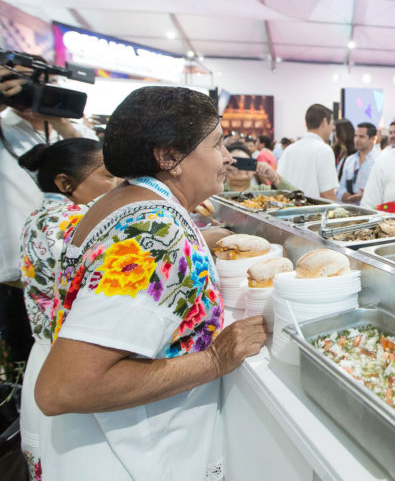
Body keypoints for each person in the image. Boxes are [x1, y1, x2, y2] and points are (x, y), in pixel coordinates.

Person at [34, 86, 268, 479]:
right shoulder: (155, 234)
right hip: (128, 458)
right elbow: (63, 387)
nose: (228, 157)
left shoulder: (122, 200)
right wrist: (215, 359)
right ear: (169, 156)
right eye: (216, 144)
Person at [17, 138, 121, 478]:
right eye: (108, 175)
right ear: (66, 184)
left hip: (47, 357)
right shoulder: (72, 222)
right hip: (70, 366)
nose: (119, 183)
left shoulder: (41, 215)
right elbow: (131, 249)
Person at [0, 58, 98, 370]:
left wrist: (60, 123)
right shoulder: (4, 128)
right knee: (23, 361)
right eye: (19, 84)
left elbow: (106, 175)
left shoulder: (73, 129)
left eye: (36, 83)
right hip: (16, 276)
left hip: (77, 273)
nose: (30, 91)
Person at [277, 104, 338, 200]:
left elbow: (278, 182)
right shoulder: (324, 150)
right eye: (332, 124)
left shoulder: (289, 149)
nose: (332, 129)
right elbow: (328, 194)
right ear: (324, 122)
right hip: (313, 212)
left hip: (288, 209)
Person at [337, 122, 380, 204]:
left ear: (373, 139)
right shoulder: (350, 160)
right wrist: (343, 195)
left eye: (361, 136)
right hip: (350, 209)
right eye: (355, 136)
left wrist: (367, 195)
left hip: (370, 208)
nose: (356, 139)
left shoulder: (380, 160)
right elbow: (341, 187)